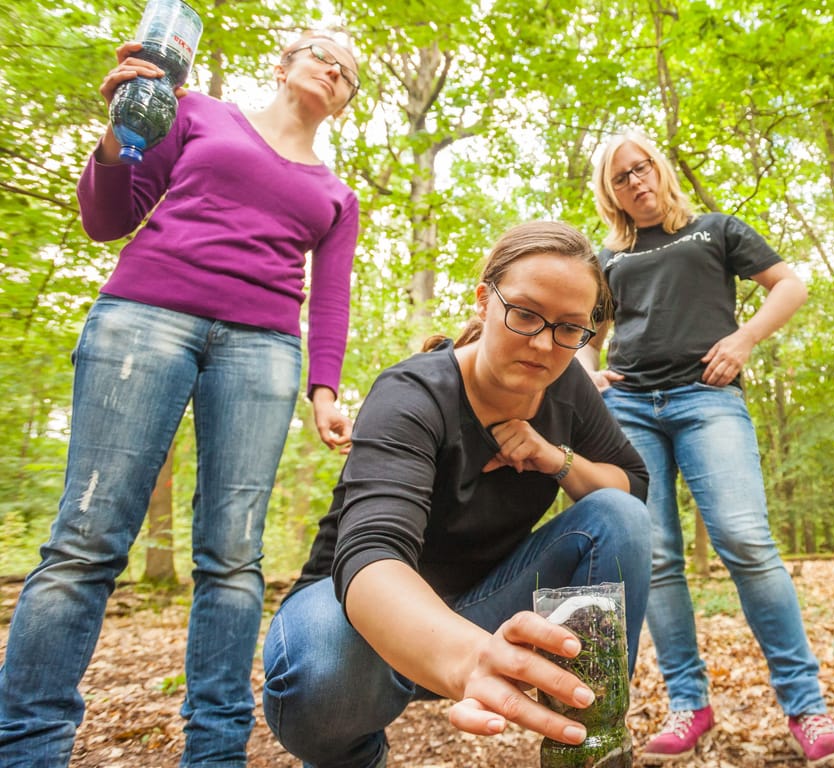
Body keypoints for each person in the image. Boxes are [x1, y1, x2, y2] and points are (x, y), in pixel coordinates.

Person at [0, 32, 362, 767]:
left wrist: (324, 390)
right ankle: (28, 748)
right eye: (323, 53)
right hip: (144, 319)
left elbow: (330, 300)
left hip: (262, 349)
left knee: (232, 558)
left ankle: (215, 752)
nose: (335, 68)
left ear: (345, 101)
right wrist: (119, 131)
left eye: (348, 72)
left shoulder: (336, 193)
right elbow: (108, 217)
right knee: (87, 540)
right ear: (283, 65)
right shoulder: (195, 112)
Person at [261, 220, 652, 767]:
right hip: (361, 616)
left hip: (485, 605)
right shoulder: (413, 392)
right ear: (484, 302)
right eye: (525, 313)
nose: (544, 343)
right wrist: (469, 658)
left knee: (616, 513)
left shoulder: (567, 389)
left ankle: (588, 745)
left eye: (569, 328)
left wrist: (552, 457)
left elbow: (632, 485)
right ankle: (352, 755)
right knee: (323, 672)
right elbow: (372, 550)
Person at [579, 130, 834, 767]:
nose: (636, 182)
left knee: (744, 538)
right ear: (610, 192)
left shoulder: (716, 229)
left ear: (660, 167)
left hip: (708, 400)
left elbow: (789, 285)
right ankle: (689, 704)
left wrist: (744, 341)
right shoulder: (608, 257)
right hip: (629, 409)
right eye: (621, 177)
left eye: (642, 167)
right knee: (653, 557)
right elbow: (586, 333)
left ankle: (806, 707)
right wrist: (587, 371)